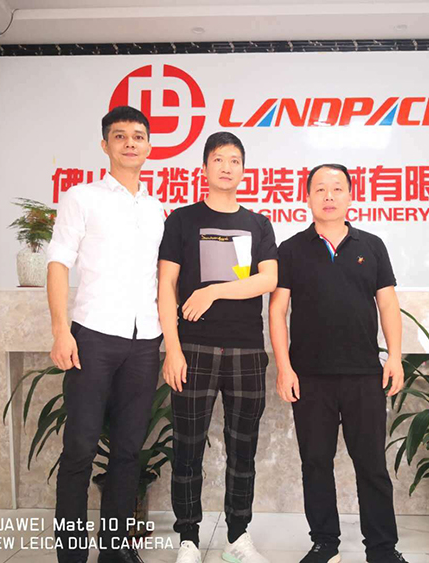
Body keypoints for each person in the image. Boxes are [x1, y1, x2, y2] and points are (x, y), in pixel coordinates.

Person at [269, 164, 407, 563]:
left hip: (364, 374)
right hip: (309, 377)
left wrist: (395, 357)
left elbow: (388, 304)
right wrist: (284, 367)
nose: (328, 196)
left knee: (372, 466)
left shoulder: (372, 245)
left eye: (336, 188)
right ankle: (324, 543)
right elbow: (277, 310)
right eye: (320, 189)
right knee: (315, 463)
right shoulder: (291, 248)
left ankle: (382, 549)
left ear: (350, 195)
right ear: (307, 197)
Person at [47, 105, 164, 563]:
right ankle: (72, 555)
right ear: (105, 145)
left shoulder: (156, 209)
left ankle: (115, 552)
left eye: (138, 135)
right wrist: (61, 330)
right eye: (120, 135)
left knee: (129, 451)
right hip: (92, 337)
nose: (130, 143)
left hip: (145, 340)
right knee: (79, 448)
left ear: (149, 146)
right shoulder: (82, 197)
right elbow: (58, 263)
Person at [158, 132, 277, 563]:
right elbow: (166, 285)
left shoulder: (258, 224)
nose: (227, 167)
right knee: (187, 448)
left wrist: (214, 291)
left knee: (242, 451)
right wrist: (172, 349)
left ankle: (237, 537)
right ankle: (188, 539)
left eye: (234, 160)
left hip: (246, 351)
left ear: (244, 170)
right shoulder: (182, 220)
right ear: (205, 168)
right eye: (218, 159)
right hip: (194, 349)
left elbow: (268, 279)